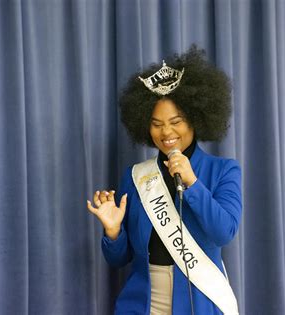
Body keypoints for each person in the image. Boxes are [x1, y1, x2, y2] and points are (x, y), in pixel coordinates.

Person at [87, 46, 242, 315]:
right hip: (142, 303)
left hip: (200, 301)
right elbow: (120, 259)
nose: (166, 132)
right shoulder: (136, 176)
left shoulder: (224, 170)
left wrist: (193, 183)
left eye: (176, 121)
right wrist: (113, 232)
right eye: (156, 123)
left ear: (195, 119)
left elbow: (224, 232)